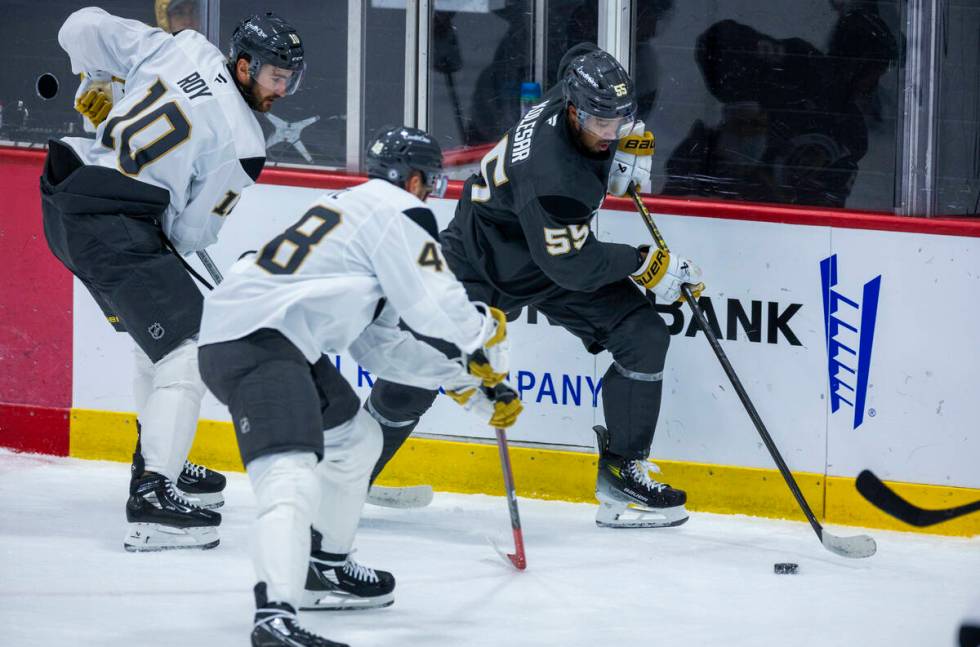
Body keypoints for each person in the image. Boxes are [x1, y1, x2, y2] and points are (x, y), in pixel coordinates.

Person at [196, 125, 520, 646]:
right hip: (258, 341)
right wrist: (487, 334)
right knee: (291, 477)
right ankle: (274, 618)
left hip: (274, 340)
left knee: (357, 439)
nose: (432, 192)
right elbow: (437, 307)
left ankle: (325, 564)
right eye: (431, 182)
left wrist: (463, 384)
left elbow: (378, 345)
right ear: (414, 180)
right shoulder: (400, 212)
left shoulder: (359, 212)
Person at [366, 43, 704, 529]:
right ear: (573, 111)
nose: (609, 133)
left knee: (643, 334)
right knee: (418, 371)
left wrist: (625, 141)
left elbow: (580, 52)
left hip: (541, 258)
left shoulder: (574, 89)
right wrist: (645, 263)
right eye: (601, 125)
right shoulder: (553, 175)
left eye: (618, 120)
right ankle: (344, 477)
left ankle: (621, 477)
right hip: (476, 264)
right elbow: (575, 267)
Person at [40, 7, 305, 551]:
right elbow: (187, 232)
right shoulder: (246, 143)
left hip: (67, 196)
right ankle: (154, 496)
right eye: (277, 76)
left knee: (156, 345)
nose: (283, 90)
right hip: (113, 224)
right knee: (187, 346)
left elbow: (81, 24)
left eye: (290, 79)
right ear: (246, 66)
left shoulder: (185, 46)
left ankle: (165, 458)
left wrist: (97, 80)